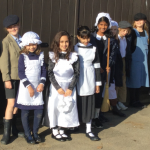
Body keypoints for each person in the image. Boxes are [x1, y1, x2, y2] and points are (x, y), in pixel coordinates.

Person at [90, 12, 125, 117]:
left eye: (105, 25)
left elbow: (112, 55)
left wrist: (108, 65)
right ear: (97, 24)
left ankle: (99, 113)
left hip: (105, 69)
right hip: (93, 69)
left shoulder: (110, 39)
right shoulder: (91, 38)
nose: (103, 27)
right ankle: (92, 115)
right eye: (101, 25)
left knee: (102, 91)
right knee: (94, 91)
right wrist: (97, 66)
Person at [47, 31, 79, 142]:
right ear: (57, 43)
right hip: (57, 87)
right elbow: (50, 73)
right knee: (55, 107)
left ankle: (62, 128)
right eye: (61, 42)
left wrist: (70, 87)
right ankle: (54, 129)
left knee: (67, 107)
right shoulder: (52, 55)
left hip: (69, 86)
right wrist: (57, 87)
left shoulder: (73, 56)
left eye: (66, 42)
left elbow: (76, 73)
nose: (64, 44)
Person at [15, 31, 46, 144]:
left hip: (38, 88)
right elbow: (21, 73)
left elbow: (43, 71)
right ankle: (28, 134)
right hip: (26, 88)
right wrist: (29, 87)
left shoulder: (40, 55)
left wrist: (42, 83)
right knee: (26, 112)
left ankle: (36, 133)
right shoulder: (23, 57)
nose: (31, 47)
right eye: (29, 44)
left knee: (39, 111)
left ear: (37, 44)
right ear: (25, 45)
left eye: (33, 44)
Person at [0, 15, 24, 145]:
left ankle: (14, 129)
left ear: (19, 25)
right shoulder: (5, 42)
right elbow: (4, 62)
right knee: (11, 104)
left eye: (15, 25)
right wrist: (6, 78)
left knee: (17, 105)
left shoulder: (24, 39)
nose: (13, 28)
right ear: (7, 29)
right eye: (10, 27)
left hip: (23, 78)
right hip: (11, 78)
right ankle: (6, 134)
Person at [75, 26, 101, 141]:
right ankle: (75, 125)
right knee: (77, 101)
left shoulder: (93, 49)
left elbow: (97, 66)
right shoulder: (75, 48)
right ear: (78, 37)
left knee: (89, 102)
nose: (86, 41)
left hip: (90, 77)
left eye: (88, 38)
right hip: (78, 76)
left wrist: (97, 84)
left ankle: (89, 129)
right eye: (83, 38)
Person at [126, 13, 149, 108]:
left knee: (140, 81)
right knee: (134, 81)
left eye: (141, 20)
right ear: (134, 22)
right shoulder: (132, 32)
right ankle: (133, 101)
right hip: (135, 60)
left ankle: (137, 100)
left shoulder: (146, 32)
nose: (139, 22)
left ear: (144, 21)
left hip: (143, 61)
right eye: (137, 20)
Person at [111, 20, 128, 111]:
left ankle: (120, 101)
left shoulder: (123, 39)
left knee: (122, 81)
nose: (125, 33)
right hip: (115, 61)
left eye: (127, 31)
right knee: (116, 83)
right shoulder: (115, 39)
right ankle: (115, 102)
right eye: (123, 30)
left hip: (122, 60)